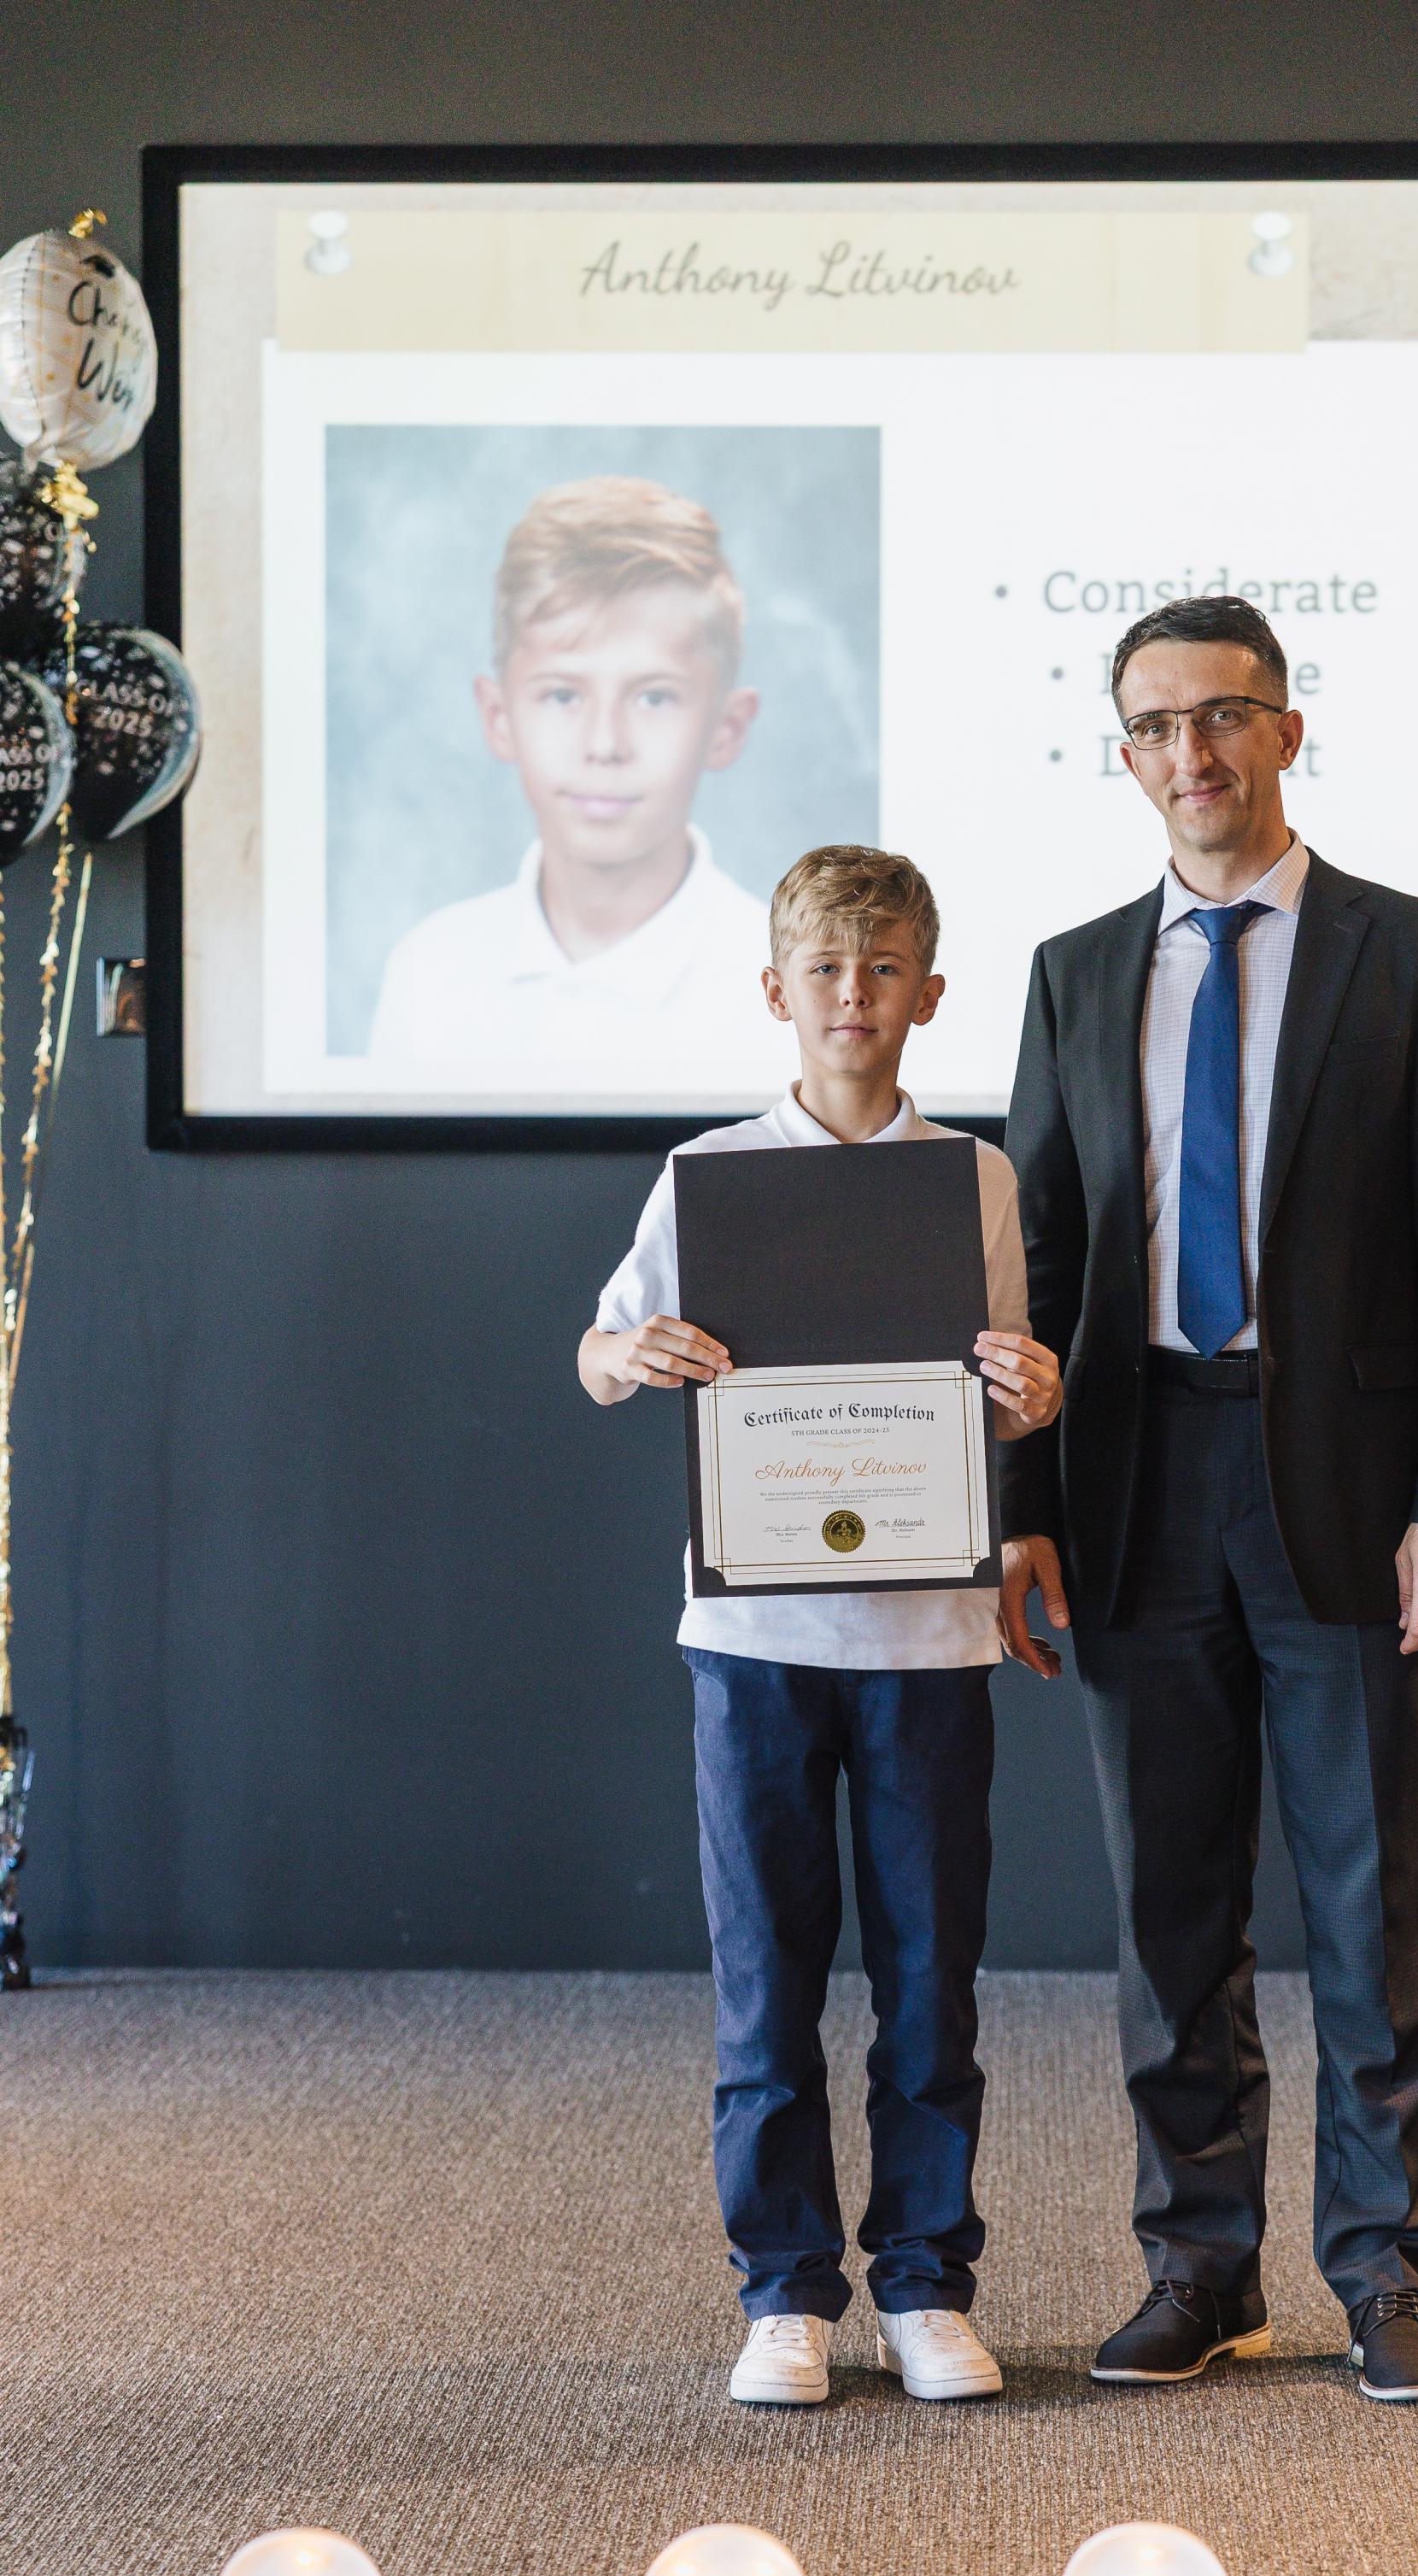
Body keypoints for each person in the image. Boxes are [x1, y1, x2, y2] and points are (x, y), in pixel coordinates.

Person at [998, 596, 1418, 2405]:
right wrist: (1022, 1504)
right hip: (1131, 1482)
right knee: (1168, 1910)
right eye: (1156, 726)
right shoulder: (1073, 973)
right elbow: (1037, 1259)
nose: (1192, 752)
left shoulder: (1413, 954)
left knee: (1368, 1903)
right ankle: (1196, 2265)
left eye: (1222, 716)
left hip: (1352, 1498)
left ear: (1285, 732)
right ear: (1123, 755)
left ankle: (1386, 2271)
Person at [579, 845, 1064, 2409]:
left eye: (883, 969)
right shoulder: (709, 1175)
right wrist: (631, 1353)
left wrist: (1033, 1394)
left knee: (930, 1985)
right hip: (752, 1642)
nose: (853, 995)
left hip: (930, 1642)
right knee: (765, 1984)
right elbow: (596, 1353)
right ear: (774, 989)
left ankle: (924, 2285)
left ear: (929, 992)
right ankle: (783, 2292)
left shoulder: (972, 1179)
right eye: (825, 969)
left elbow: (1003, 1389)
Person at [372, 477, 783, 1096]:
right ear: (499, 717)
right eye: (563, 695)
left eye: (654, 697)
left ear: (726, 729)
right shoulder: (428, 975)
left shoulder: (798, 1001)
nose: (604, 743)